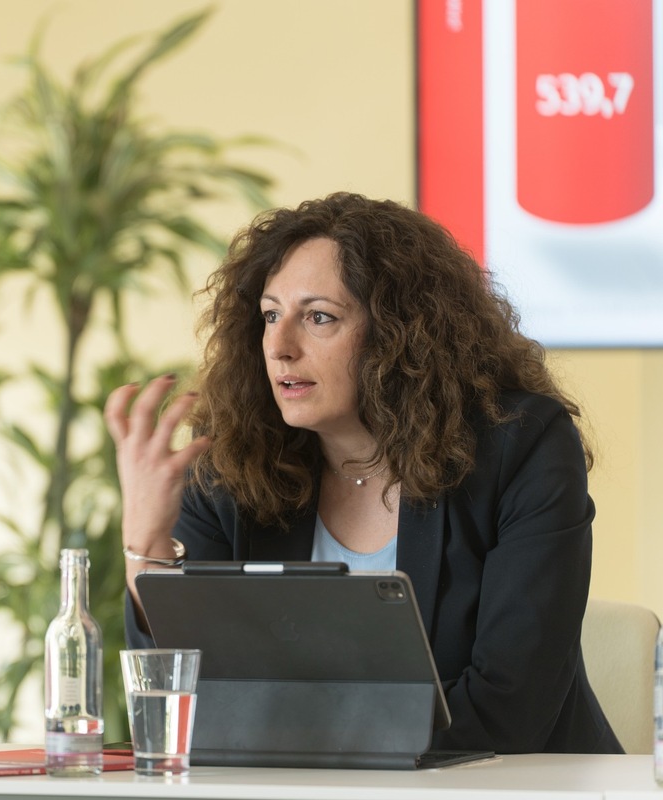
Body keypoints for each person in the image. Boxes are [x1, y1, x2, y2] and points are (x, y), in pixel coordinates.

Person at [104, 192, 623, 755]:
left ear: (402, 333)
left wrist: (302, 742)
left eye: (319, 317)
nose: (279, 347)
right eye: (271, 315)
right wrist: (148, 544)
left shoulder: (519, 444)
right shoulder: (231, 466)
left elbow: (509, 708)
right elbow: (185, 709)